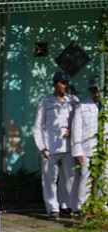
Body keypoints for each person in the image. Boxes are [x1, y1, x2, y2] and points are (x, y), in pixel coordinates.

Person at [34, 70, 80, 220]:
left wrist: (73, 132)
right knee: (50, 180)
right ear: (55, 84)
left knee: (70, 179)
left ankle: (69, 206)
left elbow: (78, 122)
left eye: (66, 83)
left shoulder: (73, 101)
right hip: (50, 147)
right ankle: (53, 209)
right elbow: (38, 126)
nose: (65, 86)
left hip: (68, 147)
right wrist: (42, 146)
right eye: (62, 82)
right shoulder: (46, 102)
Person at [71, 75, 104, 208]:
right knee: (85, 179)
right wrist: (77, 151)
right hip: (87, 149)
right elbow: (76, 129)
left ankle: (103, 207)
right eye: (93, 90)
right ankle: (82, 208)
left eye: (98, 90)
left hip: (104, 149)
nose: (96, 94)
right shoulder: (82, 106)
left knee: (105, 179)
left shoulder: (106, 105)